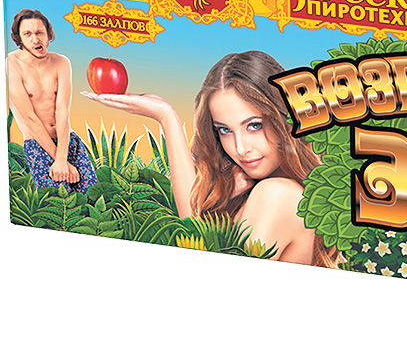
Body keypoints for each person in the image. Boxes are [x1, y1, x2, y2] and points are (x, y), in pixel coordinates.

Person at [84, 50, 336, 267]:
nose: (240, 148)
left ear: (283, 118)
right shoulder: (275, 189)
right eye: (225, 130)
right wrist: (166, 117)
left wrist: (168, 118)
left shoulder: (276, 194)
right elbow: (195, 228)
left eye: (254, 126)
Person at [7, 8, 98, 191]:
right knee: (58, 202)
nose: (35, 39)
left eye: (40, 32)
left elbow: (62, 111)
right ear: (19, 38)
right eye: (27, 34)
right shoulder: (11, 63)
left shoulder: (61, 62)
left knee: (94, 199)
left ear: (48, 34)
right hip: (37, 145)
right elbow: (29, 117)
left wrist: (63, 157)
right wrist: (60, 160)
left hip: (68, 142)